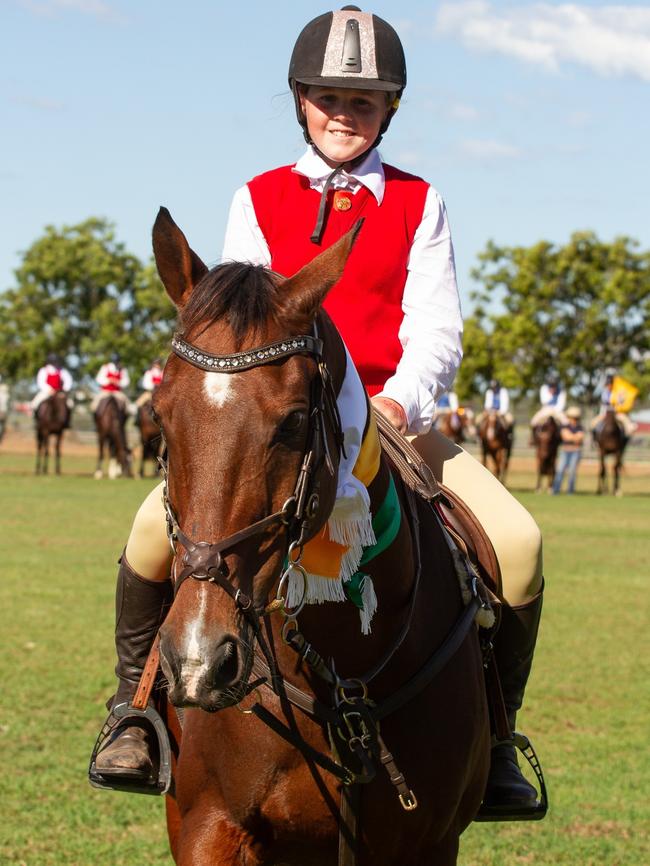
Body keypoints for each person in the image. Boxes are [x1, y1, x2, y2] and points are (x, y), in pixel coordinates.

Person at [93, 7, 545, 815]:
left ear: (389, 113)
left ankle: (499, 740)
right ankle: (131, 712)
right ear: (300, 99)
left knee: (518, 543)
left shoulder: (418, 201)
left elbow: (437, 325)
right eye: (330, 96)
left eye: (364, 102)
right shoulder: (257, 196)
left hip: (395, 418)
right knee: (147, 538)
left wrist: (400, 400)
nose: (345, 113)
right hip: (278, 424)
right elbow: (239, 320)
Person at [590, 373, 637, 439]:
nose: (608, 386)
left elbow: (621, 402)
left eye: (609, 384)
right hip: (605, 412)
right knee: (593, 424)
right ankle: (595, 439)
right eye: (607, 384)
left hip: (616, 413)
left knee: (627, 424)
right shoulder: (605, 392)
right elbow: (604, 403)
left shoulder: (618, 392)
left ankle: (624, 438)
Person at [30, 353, 73, 419]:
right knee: (34, 404)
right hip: (46, 392)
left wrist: (64, 390)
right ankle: (36, 420)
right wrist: (49, 390)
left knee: (70, 404)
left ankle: (67, 421)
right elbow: (40, 382)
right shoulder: (43, 370)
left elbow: (68, 381)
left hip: (60, 392)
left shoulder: (62, 371)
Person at [552, 406, 584, 494]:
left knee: (572, 472)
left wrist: (571, 437)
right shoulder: (564, 426)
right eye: (572, 417)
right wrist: (574, 437)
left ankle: (570, 491)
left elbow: (580, 438)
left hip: (575, 451)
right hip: (565, 451)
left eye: (575, 418)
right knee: (560, 470)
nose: (574, 419)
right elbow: (565, 437)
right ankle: (556, 490)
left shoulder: (580, 427)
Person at [530, 377, 567, 442]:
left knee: (566, 422)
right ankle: (533, 438)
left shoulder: (561, 391)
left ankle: (563, 439)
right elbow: (544, 401)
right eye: (551, 385)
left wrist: (554, 411)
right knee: (533, 421)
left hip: (557, 410)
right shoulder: (544, 388)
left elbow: (561, 404)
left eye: (554, 385)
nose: (552, 387)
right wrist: (552, 395)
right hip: (546, 409)